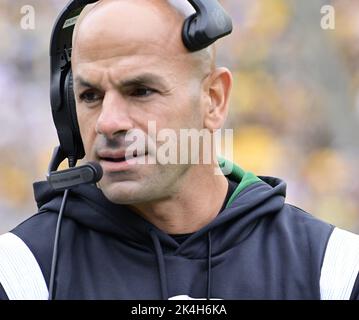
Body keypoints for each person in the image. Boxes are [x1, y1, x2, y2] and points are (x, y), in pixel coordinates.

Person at [0, 0, 358, 300]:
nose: (108, 122)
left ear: (213, 100)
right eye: (90, 96)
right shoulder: (19, 274)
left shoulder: (335, 271)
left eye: (140, 90)